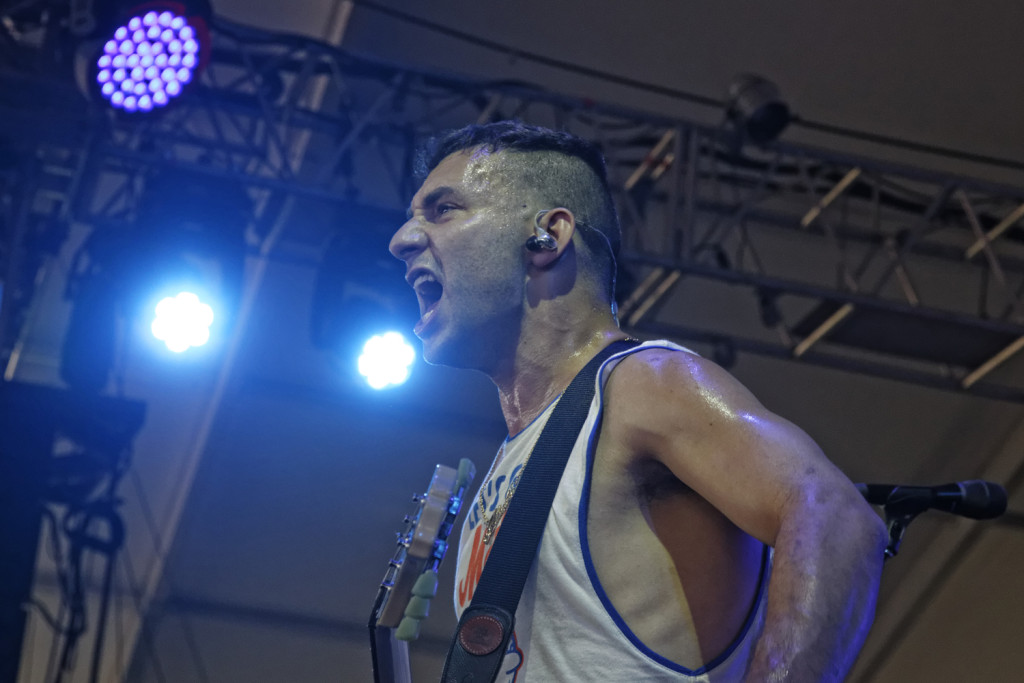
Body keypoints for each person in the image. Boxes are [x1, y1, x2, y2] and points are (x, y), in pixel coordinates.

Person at [389, 121, 887, 682]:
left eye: (443, 209)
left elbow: (835, 517)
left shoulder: (642, 385)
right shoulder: (505, 472)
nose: (402, 239)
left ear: (547, 237)